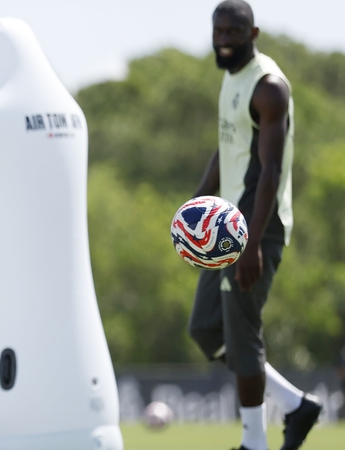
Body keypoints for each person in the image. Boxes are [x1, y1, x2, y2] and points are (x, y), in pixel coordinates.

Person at [187, 2, 322, 450]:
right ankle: (296, 405)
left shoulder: (269, 88)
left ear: (253, 32)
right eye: (218, 29)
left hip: (255, 231)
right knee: (206, 329)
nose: (223, 37)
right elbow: (226, 147)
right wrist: (198, 199)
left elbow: (270, 172)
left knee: (242, 334)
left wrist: (251, 245)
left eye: (234, 30)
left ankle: (253, 444)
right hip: (225, 228)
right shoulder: (230, 79)